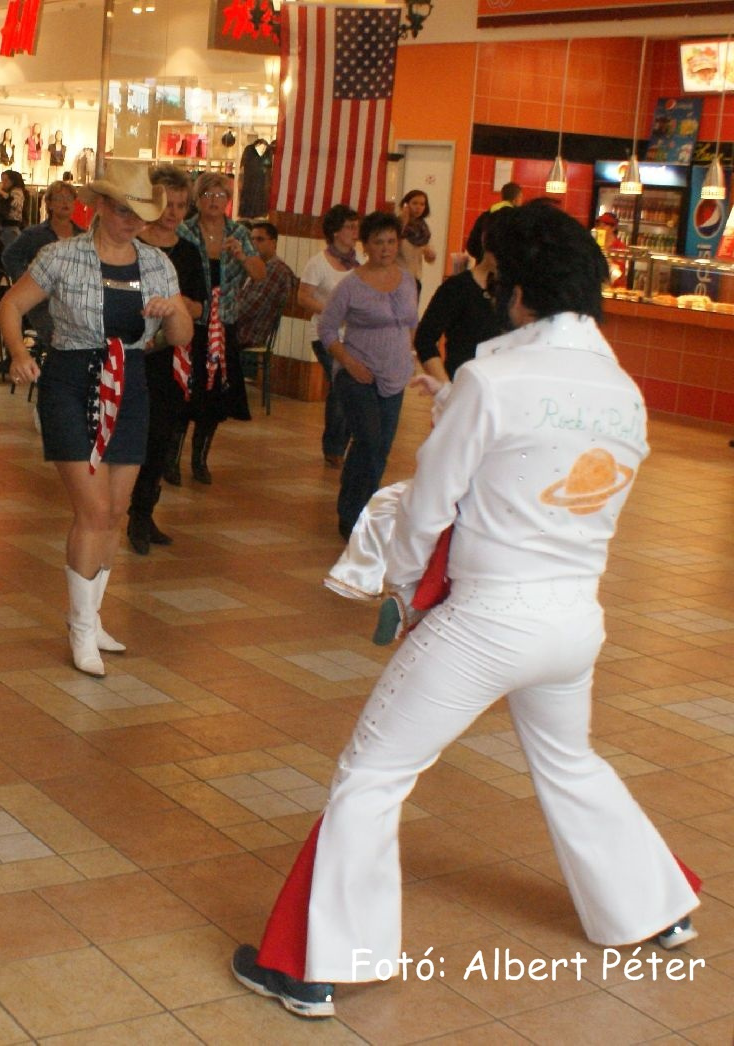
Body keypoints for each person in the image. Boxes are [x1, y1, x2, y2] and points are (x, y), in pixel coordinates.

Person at [232, 200, 701, 1020]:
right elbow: (551, 467)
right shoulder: (623, 392)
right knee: (570, 762)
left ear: (515, 291)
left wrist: (407, 594)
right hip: (574, 622)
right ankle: (656, 908)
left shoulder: (495, 378)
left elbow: (430, 508)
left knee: (373, 775)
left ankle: (317, 965)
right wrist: (456, 402)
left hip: (488, 619)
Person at [0, 165, 191, 677]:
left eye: (140, 214)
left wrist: (172, 311)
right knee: (94, 509)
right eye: (124, 211)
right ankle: (81, 630)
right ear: (102, 207)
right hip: (71, 379)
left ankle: (92, 616)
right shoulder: (61, 255)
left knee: (117, 511)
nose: (132, 222)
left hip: (130, 382)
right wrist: (18, 353)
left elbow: (181, 336)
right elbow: (11, 305)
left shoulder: (156, 263)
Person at [320, 211, 419, 539]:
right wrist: (349, 363)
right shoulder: (351, 285)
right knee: (368, 440)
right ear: (366, 245)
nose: (386, 248)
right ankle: (351, 512)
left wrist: (410, 356)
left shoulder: (406, 280)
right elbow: (327, 329)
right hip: (357, 375)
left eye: (392, 241)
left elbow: (410, 323)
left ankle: (366, 509)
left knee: (382, 447)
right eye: (379, 242)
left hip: (395, 375)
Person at [127, 165, 204, 555]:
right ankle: (116, 509)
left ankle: (143, 514)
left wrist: (183, 308)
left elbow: (197, 305)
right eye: (167, 204)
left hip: (169, 358)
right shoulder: (133, 244)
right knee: (129, 437)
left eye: (180, 205)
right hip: (131, 354)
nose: (173, 212)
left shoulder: (188, 252)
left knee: (161, 438)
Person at [172, 171, 265, 486]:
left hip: (223, 323)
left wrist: (241, 255)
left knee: (214, 396)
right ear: (197, 200)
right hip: (190, 321)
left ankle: (200, 459)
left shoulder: (238, 232)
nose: (214, 202)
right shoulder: (185, 231)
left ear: (228, 200)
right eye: (207, 196)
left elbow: (260, 272)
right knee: (184, 389)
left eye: (220, 196)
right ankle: (172, 459)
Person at [297, 204, 361, 469]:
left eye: (357, 226)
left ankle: (344, 442)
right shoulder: (318, 262)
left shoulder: (361, 262)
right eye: (350, 227)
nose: (355, 231)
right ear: (336, 232)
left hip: (356, 335)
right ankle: (334, 446)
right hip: (326, 333)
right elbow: (303, 297)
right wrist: (332, 312)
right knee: (340, 383)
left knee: (349, 386)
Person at [0, 180, 84, 376]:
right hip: (43, 304)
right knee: (57, 336)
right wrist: (25, 280)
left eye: (69, 198)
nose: (65, 203)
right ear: (49, 204)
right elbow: (9, 256)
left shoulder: (83, 235)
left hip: (74, 303)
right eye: (60, 198)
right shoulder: (35, 234)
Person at [413, 211, 504, 383]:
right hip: (463, 385)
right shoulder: (457, 287)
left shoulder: (516, 290)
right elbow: (424, 339)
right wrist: (446, 388)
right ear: (486, 242)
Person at [233, 222, 297, 352]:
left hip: (247, 335)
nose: (254, 243)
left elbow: (250, 306)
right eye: (252, 239)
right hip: (239, 332)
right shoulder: (259, 266)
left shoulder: (276, 270)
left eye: (260, 239)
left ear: (273, 243)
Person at [466, 180, 521, 262]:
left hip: (484, 268)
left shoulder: (486, 215)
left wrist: (483, 258)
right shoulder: (518, 219)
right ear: (516, 199)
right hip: (508, 269)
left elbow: (471, 245)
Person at [397, 189, 436, 290]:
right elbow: (393, 245)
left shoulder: (423, 229)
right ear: (406, 204)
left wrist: (430, 255)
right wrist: (403, 223)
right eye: (414, 203)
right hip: (397, 277)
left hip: (415, 278)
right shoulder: (396, 224)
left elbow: (430, 259)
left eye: (422, 204)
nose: (418, 207)